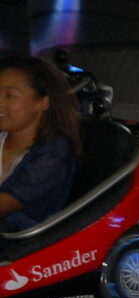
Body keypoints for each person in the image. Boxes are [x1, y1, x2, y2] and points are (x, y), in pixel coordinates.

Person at [0, 56, 80, 233]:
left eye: (10, 95)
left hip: (19, 244)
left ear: (43, 102)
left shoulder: (54, 154)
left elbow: (5, 205)